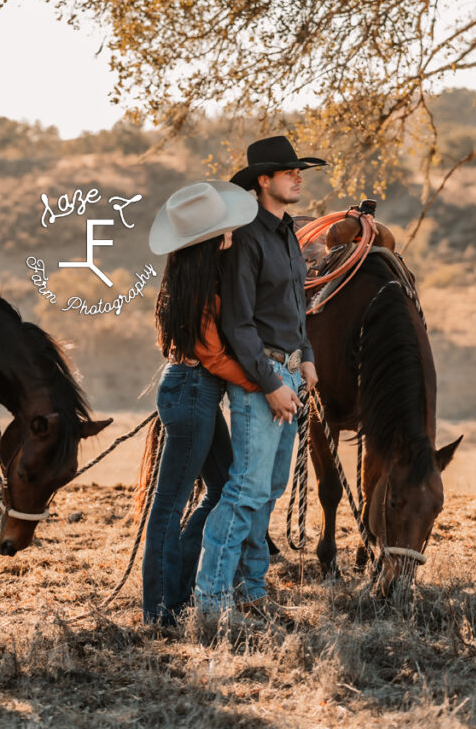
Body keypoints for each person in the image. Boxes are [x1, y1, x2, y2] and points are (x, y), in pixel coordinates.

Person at [195, 135, 327, 616]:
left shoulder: (288, 234)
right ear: (263, 181)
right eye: (289, 172)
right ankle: (210, 604)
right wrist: (271, 384)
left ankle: (251, 592)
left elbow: (296, 308)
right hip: (263, 375)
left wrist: (307, 357)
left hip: (290, 371)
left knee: (269, 490)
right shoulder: (248, 236)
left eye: (300, 171)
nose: (298, 177)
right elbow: (239, 322)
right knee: (245, 491)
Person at [141, 180, 258, 626]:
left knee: (225, 485)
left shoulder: (188, 279)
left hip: (190, 390)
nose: (231, 234)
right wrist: (261, 383)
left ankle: (177, 592)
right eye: (224, 229)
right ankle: (159, 611)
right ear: (211, 239)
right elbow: (212, 354)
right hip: (193, 390)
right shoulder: (201, 286)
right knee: (171, 502)